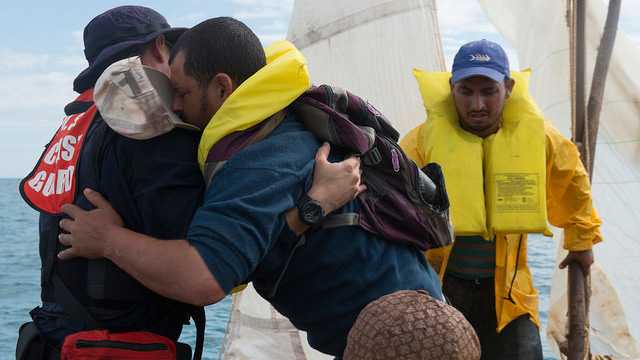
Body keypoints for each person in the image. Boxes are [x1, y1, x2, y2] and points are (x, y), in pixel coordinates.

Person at [56, 17, 445, 357]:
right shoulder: (279, 119)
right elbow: (248, 258)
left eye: (184, 92)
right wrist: (312, 206)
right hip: (406, 319)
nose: (174, 105)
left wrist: (107, 239)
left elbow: (203, 278)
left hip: (399, 338)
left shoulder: (259, 157)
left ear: (223, 88)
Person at [17, 7, 361, 360]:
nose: (179, 102)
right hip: (117, 345)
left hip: (54, 334)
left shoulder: (75, 130)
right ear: (160, 48)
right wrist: (313, 204)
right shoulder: (152, 130)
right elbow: (210, 271)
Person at [400, 39, 603, 359]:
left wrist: (581, 242)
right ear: (452, 88)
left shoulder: (542, 138)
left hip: (508, 294)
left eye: (488, 91)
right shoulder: (420, 142)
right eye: (466, 91)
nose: (477, 104)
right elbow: (390, 205)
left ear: (508, 88)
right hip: (439, 289)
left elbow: (573, 182)